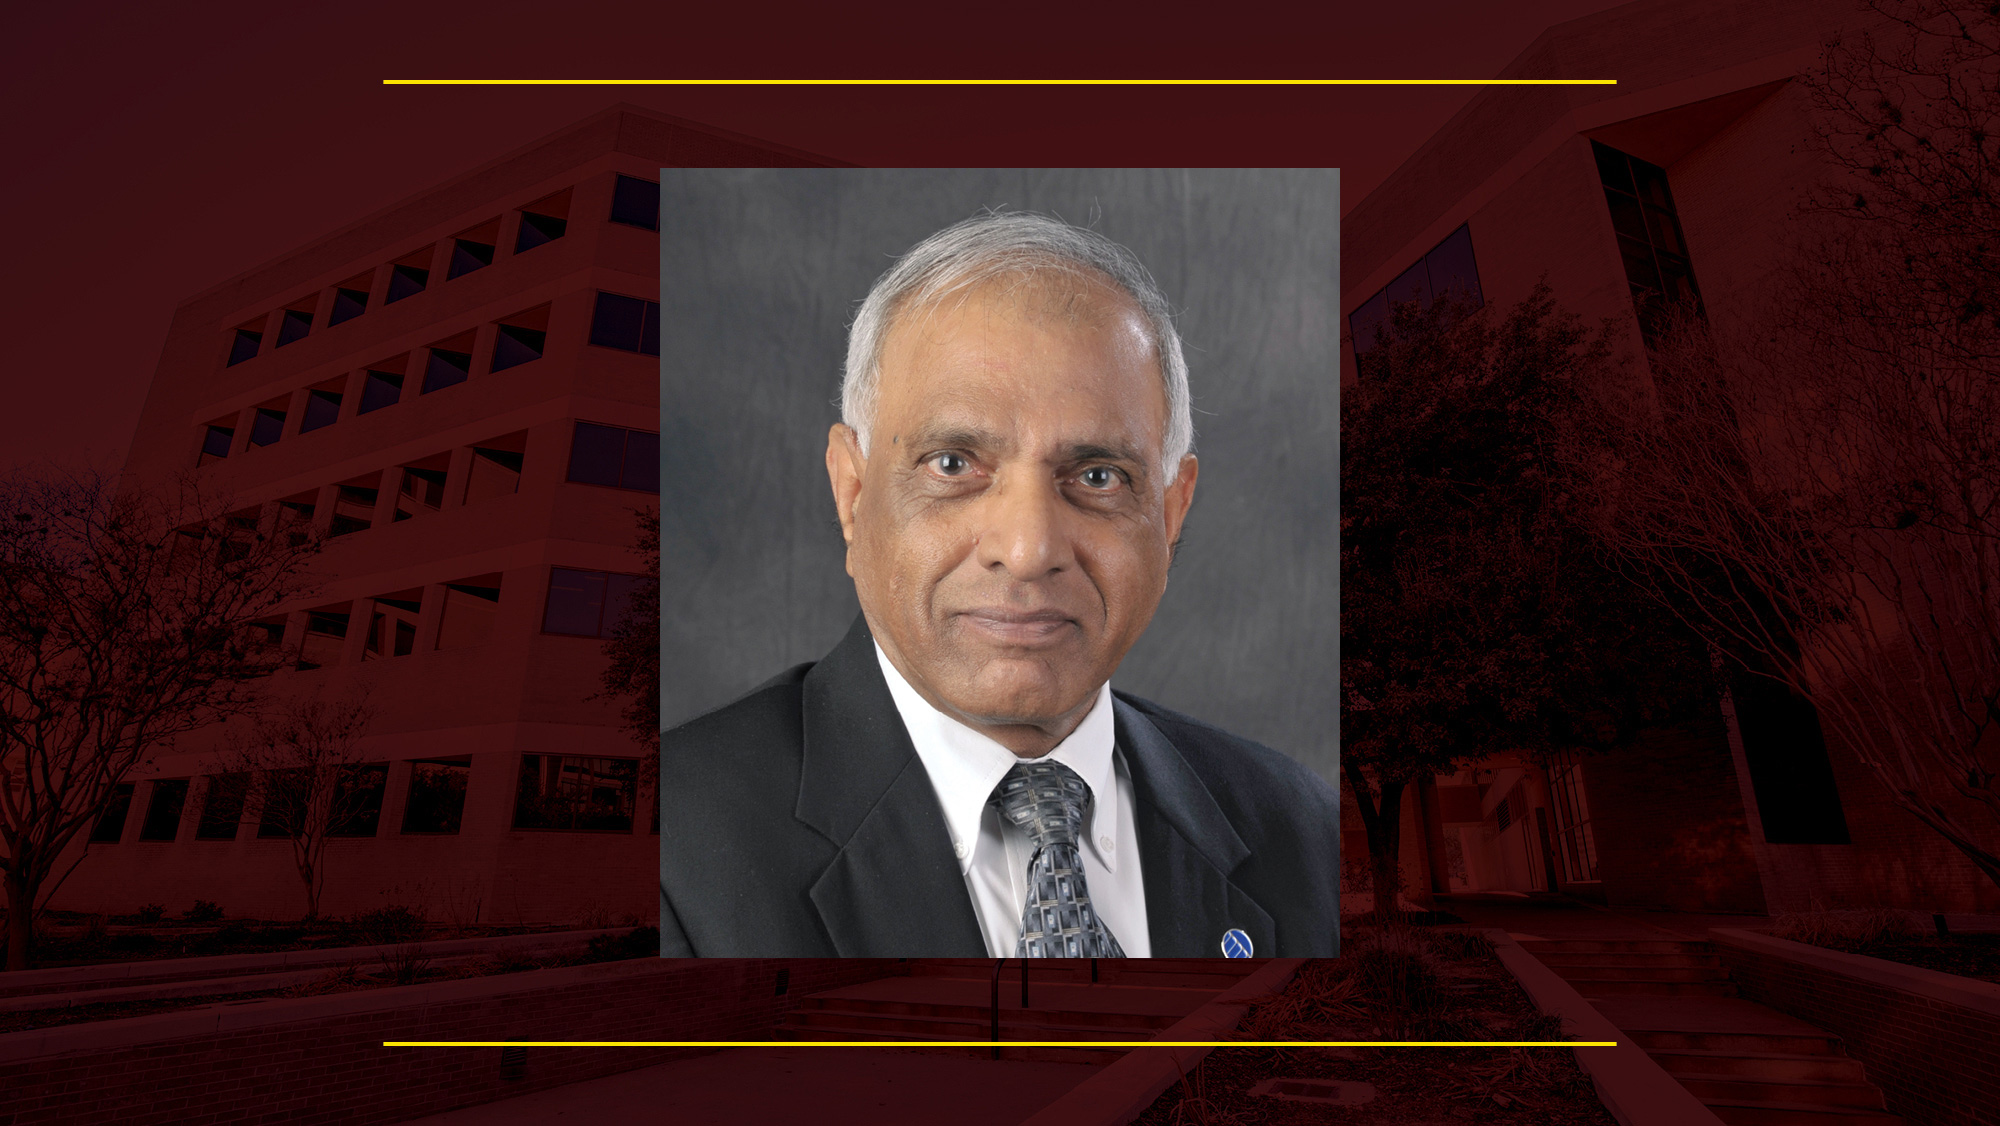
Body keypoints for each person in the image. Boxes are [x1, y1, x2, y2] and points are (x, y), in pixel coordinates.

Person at [659, 211, 1338, 958]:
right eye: (952, 464)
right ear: (852, 496)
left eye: (1098, 476)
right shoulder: (678, 848)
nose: (1026, 550)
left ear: (1171, 514)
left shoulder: (1302, 831)